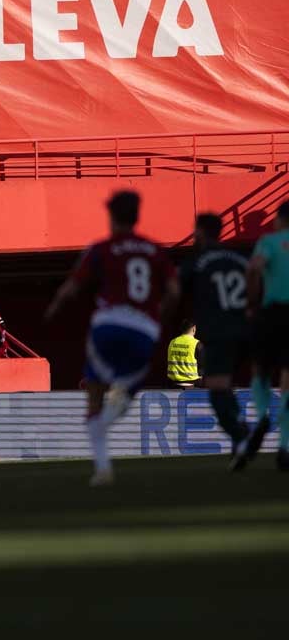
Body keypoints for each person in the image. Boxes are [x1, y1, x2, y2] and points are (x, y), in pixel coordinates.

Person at [45, 191, 179, 486]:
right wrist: (157, 316)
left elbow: (72, 287)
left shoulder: (100, 249)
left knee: (94, 391)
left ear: (111, 216)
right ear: (137, 215)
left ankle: (103, 466)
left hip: (107, 326)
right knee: (126, 388)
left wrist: (54, 308)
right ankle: (115, 408)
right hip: (144, 330)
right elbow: (174, 291)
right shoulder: (154, 250)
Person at [178, 213, 256, 466]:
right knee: (231, 384)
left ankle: (239, 432)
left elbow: (172, 288)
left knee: (217, 390)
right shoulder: (241, 259)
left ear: (199, 232)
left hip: (221, 335)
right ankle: (242, 438)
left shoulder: (199, 261)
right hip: (248, 332)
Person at [243, 200, 289, 472]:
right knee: (288, 381)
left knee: (260, 370)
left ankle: (261, 417)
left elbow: (253, 269)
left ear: (281, 219)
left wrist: (251, 303)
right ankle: (284, 447)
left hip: (272, 312)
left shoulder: (268, 242)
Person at [165, 320, 200, 389]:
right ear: (194, 328)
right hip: (189, 385)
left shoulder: (172, 342)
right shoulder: (197, 344)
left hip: (172, 385)